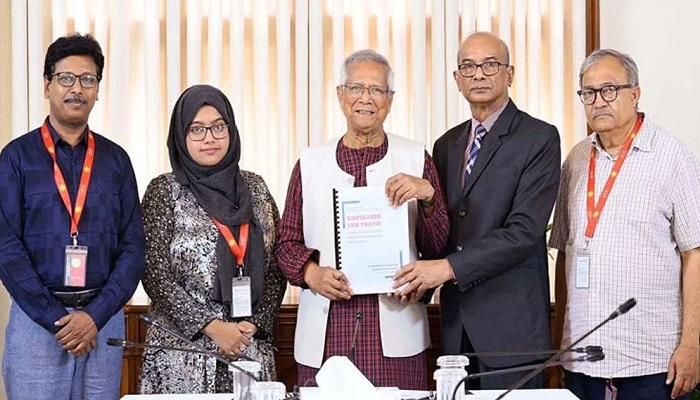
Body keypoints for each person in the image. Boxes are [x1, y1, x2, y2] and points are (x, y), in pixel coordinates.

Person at [393, 31, 561, 389]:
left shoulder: (539, 138)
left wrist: (445, 268)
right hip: (456, 330)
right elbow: (443, 229)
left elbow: (524, 232)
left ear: (510, 73)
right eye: (468, 66)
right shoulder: (446, 145)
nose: (479, 74)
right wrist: (415, 280)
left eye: (490, 65)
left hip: (511, 332)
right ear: (457, 79)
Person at [276, 49, 449, 389]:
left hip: (397, 329)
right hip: (327, 328)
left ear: (390, 99)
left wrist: (427, 195)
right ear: (341, 95)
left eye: (376, 90)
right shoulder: (309, 163)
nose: (365, 98)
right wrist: (312, 274)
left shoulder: (416, 158)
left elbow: (437, 247)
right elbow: (286, 244)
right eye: (356, 88)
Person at [549, 48, 700, 400]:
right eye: (589, 93)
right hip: (581, 356)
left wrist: (692, 344)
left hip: (651, 359)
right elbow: (564, 253)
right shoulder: (576, 159)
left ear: (635, 93)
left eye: (609, 89)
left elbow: (694, 254)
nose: (598, 101)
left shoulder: (673, 157)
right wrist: (560, 341)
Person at [0, 33, 144, 400]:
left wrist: (94, 316)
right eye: (66, 78)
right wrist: (57, 320)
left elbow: (133, 248)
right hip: (37, 322)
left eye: (88, 79)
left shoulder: (116, 161)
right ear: (47, 85)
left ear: (98, 90)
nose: (77, 88)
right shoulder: (16, 157)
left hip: (103, 320)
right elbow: (6, 247)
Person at [139, 84, 286, 394]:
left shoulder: (256, 188)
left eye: (219, 127)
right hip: (182, 355)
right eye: (197, 129)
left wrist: (255, 323)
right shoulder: (165, 191)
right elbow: (154, 274)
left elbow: (277, 264)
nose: (210, 138)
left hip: (248, 349)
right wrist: (212, 327)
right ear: (180, 135)